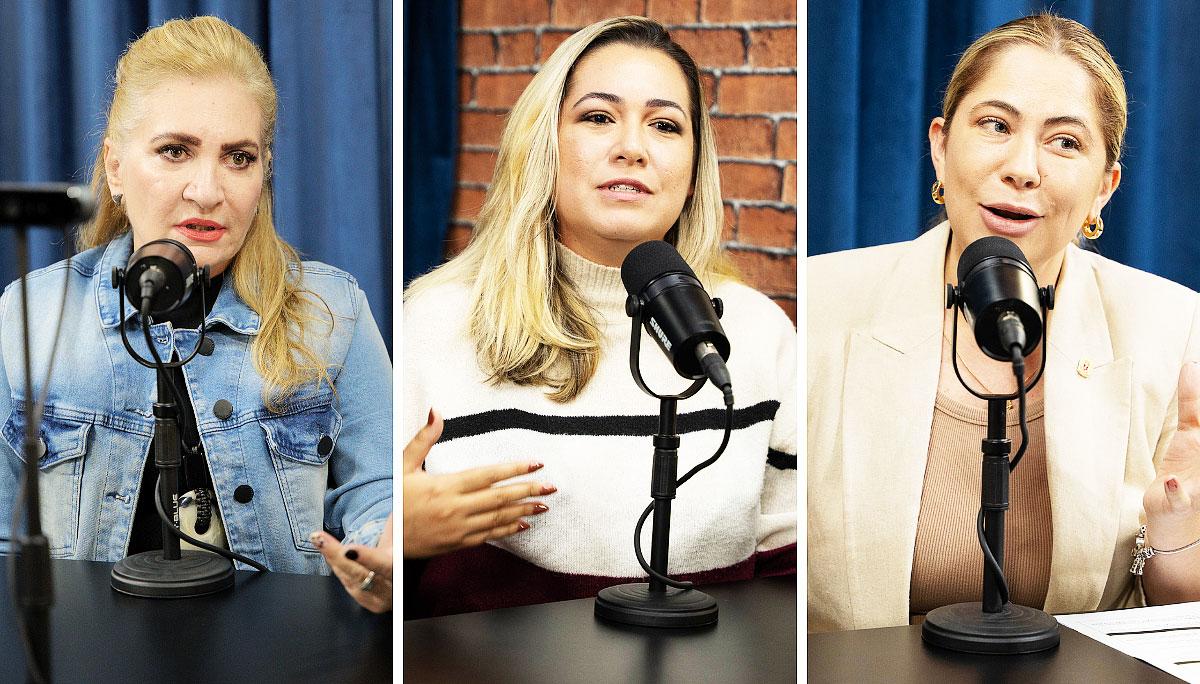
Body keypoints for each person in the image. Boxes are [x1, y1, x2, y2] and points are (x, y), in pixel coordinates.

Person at [808, 12, 1200, 632]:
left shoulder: (1172, 329)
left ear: (1105, 186)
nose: (1023, 168)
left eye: (1064, 142)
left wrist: (1178, 534)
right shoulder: (821, 304)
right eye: (996, 125)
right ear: (941, 147)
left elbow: (1172, 616)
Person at [402, 16, 796, 616]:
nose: (632, 148)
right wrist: (397, 539)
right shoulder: (436, 321)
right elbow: (372, 584)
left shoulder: (759, 332)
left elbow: (791, 589)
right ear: (545, 146)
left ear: (694, 171)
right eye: (598, 117)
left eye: (664, 125)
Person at [0, 16, 393, 613]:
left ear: (264, 172)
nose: (207, 190)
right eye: (175, 151)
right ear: (115, 167)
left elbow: (380, 496)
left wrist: (384, 557)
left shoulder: (333, 311)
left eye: (238, 157)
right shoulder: (29, 314)